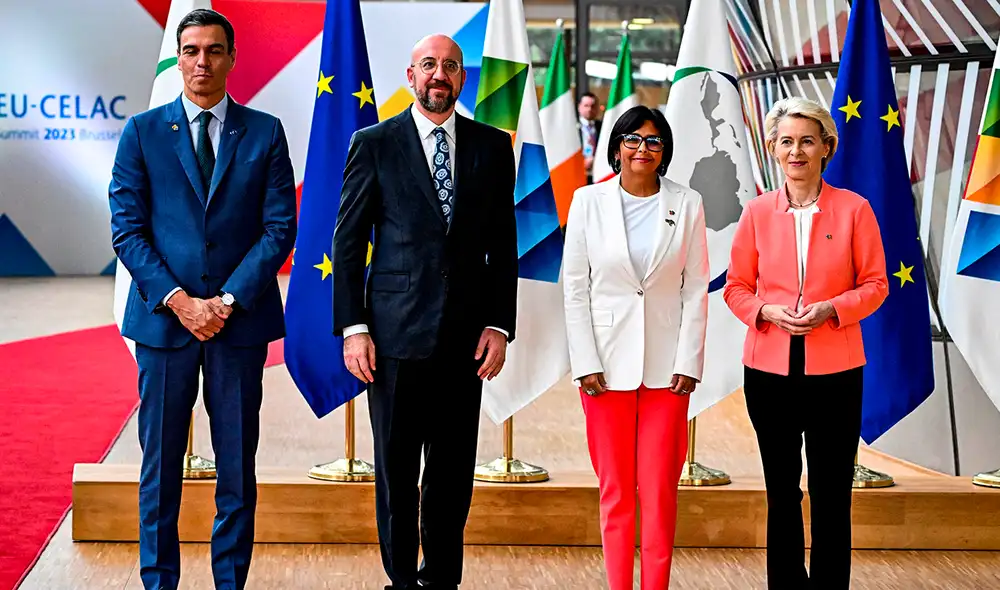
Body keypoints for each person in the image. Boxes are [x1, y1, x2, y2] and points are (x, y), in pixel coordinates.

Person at [109, 9, 296, 590]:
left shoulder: (264, 132)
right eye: (191, 51)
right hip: (165, 328)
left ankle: (229, 582)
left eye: (214, 51)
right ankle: (158, 581)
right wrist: (181, 300)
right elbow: (127, 229)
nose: (202, 62)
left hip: (237, 330)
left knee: (237, 467)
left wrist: (228, 300)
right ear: (178, 58)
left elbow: (278, 228)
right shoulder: (142, 132)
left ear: (232, 59)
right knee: (159, 469)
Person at [332, 34, 517, 590]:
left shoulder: (491, 146)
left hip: (467, 340)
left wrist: (499, 323)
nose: (440, 74)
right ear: (410, 75)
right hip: (391, 339)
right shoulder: (374, 143)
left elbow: (503, 245)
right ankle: (399, 580)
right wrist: (354, 328)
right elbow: (347, 245)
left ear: (463, 79)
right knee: (395, 471)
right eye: (430, 65)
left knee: (453, 473)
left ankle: (441, 579)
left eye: (451, 66)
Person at [724, 96, 889, 588]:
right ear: (774, 149)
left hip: (836, 372)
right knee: (781, 492)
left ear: (825, 148)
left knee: (832, 491)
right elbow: (735, 288)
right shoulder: (755, 212)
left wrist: (833, 309)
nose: (796, 151)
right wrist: (764, 312)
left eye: (807, 141)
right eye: (786, 141)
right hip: (769, 371)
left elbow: (877, 284)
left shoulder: (855, 209)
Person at [562, 105, 709, 590]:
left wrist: (689, 360)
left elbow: (694, 288)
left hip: (669, 371)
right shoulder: (587, 201)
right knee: (617, 490)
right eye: (632, 139)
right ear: (617, 147)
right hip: (603, 368)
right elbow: (575, 289)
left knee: (661, 489)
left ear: (664, 151)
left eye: (652, 141)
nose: (642, 149)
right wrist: (584, 361)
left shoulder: (687, 203)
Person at [578, 92, 602, 183]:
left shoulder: (602, 127)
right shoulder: (571, 127)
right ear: (579, 107)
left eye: (593, 106)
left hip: (596, 174)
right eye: (586, 105)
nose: (589, 109)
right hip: (577, 173)